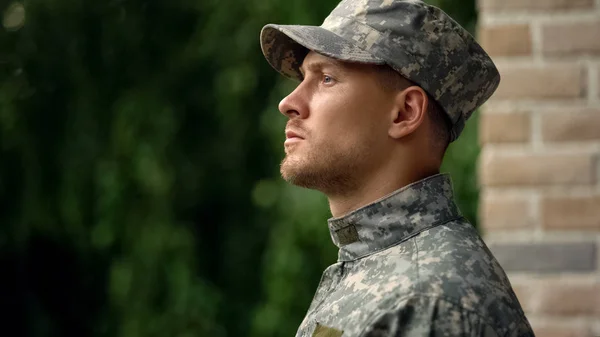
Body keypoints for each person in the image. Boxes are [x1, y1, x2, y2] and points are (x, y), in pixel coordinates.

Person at [259, 0, 535, 336]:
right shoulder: (381, 263)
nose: (288, 103)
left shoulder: (428, 299)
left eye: (327, 78)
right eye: (303, 78)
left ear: (405, 113)